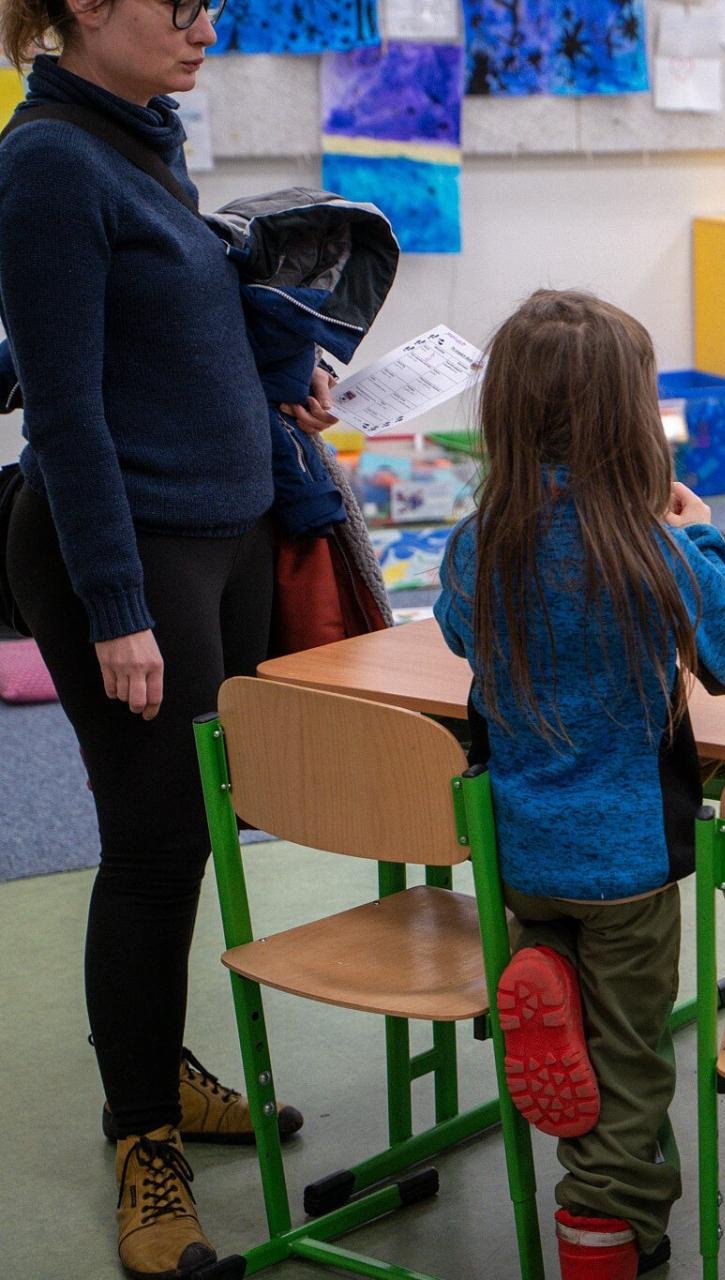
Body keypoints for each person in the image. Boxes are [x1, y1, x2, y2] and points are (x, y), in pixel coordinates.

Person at [0, 2, 335, 1274]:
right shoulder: (47, 164)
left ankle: (159, 1065)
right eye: (179, 2)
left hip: (223, 533)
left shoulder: (146, 135)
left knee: (192, 829)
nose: (206, 25)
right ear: (88, 7)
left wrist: (270, 383)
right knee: (148, 849)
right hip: (131, 556)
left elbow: (153, 340)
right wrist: (118, 606)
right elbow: (64, 411)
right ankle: (141, 1136)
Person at [435, 290, 725, 1280]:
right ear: (632, 420)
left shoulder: (476, 542)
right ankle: (600, 1228)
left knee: (578, 1013)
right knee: (631, 1062)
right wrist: (704, 536)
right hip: (626, 863)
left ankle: (546, 973)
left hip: (520, 850)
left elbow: (458, 633)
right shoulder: (653, 547)